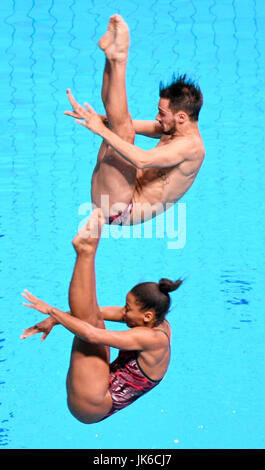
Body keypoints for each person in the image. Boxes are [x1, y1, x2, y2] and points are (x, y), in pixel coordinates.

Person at [21, 209, 182, 423]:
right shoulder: (156, 320)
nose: (123, 312)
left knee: (90, 325)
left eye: (127, 308)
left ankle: (86, 253)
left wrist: (51, 310)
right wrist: (54, 320)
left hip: (93, 405)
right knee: (92, 317)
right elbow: (97, 313)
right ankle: (86, 252)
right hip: (101, 385)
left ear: (147, 316)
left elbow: (92, 335)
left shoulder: (151, 338)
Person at [64, 14, 205, 225]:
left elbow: (142, 160)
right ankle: (111, 58)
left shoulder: (191, 147)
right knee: (119, 125)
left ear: (182, 117)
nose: (157, 118)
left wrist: (100, 130)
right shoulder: (173, 128)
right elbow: (119, 121)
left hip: (120, 208)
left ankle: (119, 57)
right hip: (114, 191)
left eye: (162, 113)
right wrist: (94, 119)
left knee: (122, 131)